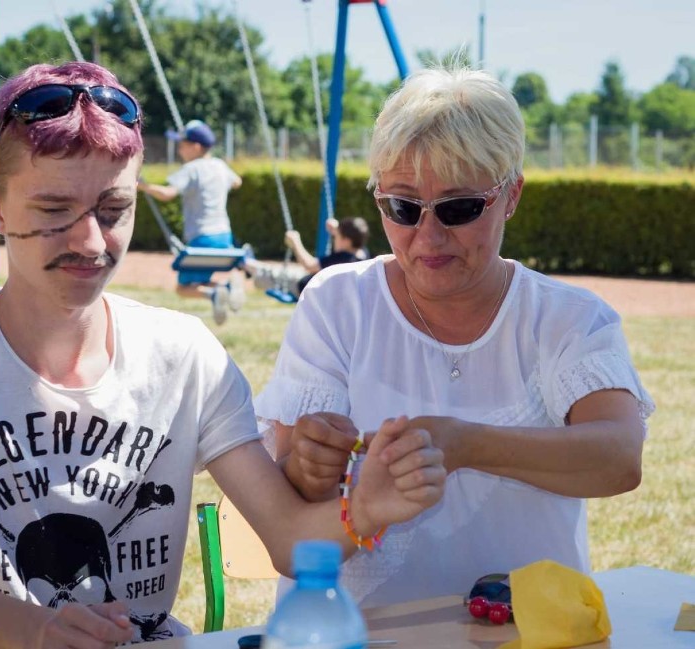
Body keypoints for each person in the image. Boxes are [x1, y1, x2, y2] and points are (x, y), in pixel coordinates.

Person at [0, 61, 447, 648]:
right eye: (54, 210)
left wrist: (362, 508)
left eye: (114, 211)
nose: (88, 240)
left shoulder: (183, 356)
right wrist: (38, 632)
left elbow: (288, 538)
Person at [254, 66, 654, 608]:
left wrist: (464, 445)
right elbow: (289, 510)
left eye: (459, 207)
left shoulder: (568, 319)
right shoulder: (337, 303)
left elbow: (619, 457)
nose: (429, 234)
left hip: (520, 634)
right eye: (402, 207)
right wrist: (306, 464)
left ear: (511, 196)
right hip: (357, 634)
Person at [137, 119, 245, 325]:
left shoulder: (192, 169)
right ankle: (227, 289)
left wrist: (144, 186)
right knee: (201, 280)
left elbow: (168, 193)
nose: (179, 149)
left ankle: (216, 295)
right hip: (224, 236)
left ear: (195, 147)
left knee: (183, 288)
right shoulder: (219, 166)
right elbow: (237, 182)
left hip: (202, 237)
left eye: (182, 144)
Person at [245, 216, 370, 299]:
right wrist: (337, 228)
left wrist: (295, 241)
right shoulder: (362, 253)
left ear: (347, 241)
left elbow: (309, 265)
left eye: (337, 236)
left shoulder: (343, 259)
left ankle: (244, 262)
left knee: (269, 273)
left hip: (301, 287)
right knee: (280, 270)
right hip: (308, 280)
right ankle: (247, 264)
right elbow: (350, 233)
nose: (334, 239)